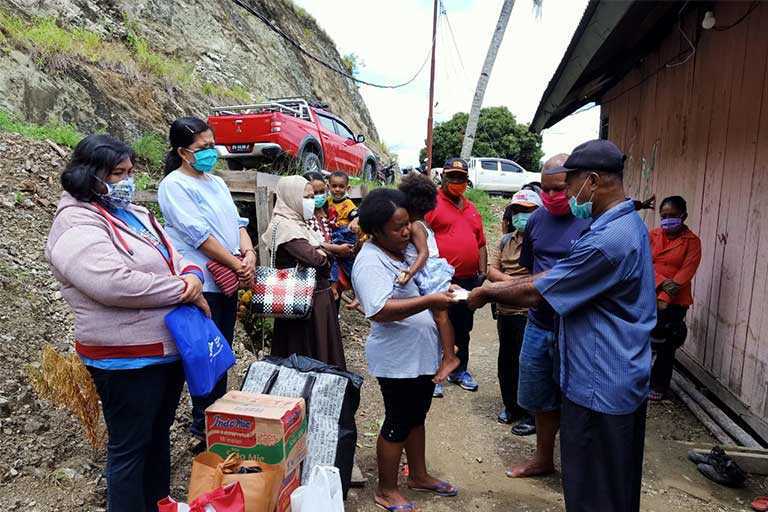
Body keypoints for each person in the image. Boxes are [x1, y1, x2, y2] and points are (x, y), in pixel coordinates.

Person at [468, 139, 656, 512]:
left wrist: (487, 293)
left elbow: (542, 289)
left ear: (592, 181)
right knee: (615, 485)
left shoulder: (608, 240)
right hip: (617, 376)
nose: (566, 195)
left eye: (568, 185)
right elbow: (558, 275)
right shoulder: (623, 224)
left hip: (600, 385)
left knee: (593, 490)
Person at [46, 134, 209, 512]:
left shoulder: (135, 213)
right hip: (125, 360)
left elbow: (176, 253)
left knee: (157, 437)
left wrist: (191, 276)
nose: (127, 181)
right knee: (130, 449)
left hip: (165, 350)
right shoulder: (73, 223)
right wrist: (183, 289)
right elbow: (111, 283)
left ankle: (159, 504)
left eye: (130, 172)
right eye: (118, 173)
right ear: (90, 175)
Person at [352, 188, 458, 512]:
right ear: (376, 232)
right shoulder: (369, 262)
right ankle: (386, 489)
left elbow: (425, 277)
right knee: (398, 421)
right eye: (397, 228)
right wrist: (430, 301)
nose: (406, 231)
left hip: (420, 353)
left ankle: (419, 475)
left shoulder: (404, 248)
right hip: (398, 359)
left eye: (407, 223)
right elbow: (380, 309)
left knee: (416, 417)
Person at [157, 116, 256, 444]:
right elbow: (199, 236)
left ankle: (219, 419)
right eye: (203, 148)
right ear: (184, 152)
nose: (210, 153)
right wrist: (236, 263)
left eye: (213, 146)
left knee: (221, 351)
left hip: (226, 279)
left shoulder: (215, 182)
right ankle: (204, 425)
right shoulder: (174, 185)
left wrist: (249, 251)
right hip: (202, 285)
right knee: (202, 355)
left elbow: (236, 221)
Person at [504, 154, 592, 479]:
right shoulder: (538, 220)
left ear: (575, 186)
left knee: (577, 399)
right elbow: (531, 268)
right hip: (539, 324)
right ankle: (543, 459)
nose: (553, 196)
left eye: (559, 189)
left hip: (577, 328)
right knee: (539, 396)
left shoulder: (592, 221)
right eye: (546, 189)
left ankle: (577, 468)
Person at [263, 175, 346, 368]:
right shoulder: (286, 226)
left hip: (314, 299)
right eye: (306, 197)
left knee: (317, 350)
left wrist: (322, 251)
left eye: (312, 196)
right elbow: (315, 258)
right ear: (291, 197)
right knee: (306, 353)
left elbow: (319, 251)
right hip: (304, 301)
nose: (311, 201)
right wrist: (324, 254)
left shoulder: (300, 223)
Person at [425, 158, 487, 394]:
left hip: (468, 280)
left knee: (463, 327)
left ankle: (460, 370)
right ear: (443, 178)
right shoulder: (432, 205)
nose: (457, 182)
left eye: (461, 177)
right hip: (439, 280)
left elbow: (480, 242)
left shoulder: (471, 208)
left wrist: (482, 272)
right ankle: (436, 375)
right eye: (452, 177)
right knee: (437, 325)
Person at [397, 173, 460, 385]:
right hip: (432, 271)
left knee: (440, 316)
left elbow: (422, 254)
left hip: (428, 272)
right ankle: (448, 348)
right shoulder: (422, 223)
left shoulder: (415, 226)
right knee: (436, 317)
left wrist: (410, 273)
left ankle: (450, 357)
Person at [487, 189, 542, 426]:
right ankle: (510, 406)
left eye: (528, 212)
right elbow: (491, 270)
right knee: (506, 360)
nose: (522, 216)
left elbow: (542, 276)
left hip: (529, 312)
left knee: (528, 363)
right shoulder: (505, 241)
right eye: (518, 211)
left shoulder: (542, 242)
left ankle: (530, 413)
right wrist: (511, 283)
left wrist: (511, 284)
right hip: (506, 310)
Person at [649, 195, 702, 400]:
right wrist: (661, 282)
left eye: (673, 216)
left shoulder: (692, 242)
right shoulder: (652, 235)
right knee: (643, 340)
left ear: (684, 216)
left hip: (675, 300)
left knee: (666, 344)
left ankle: (658, 386)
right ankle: (638, 381)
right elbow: (643, 262)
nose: (667, 220)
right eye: (664, 216)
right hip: (648, 293)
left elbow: (686, 271)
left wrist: (664, 297)